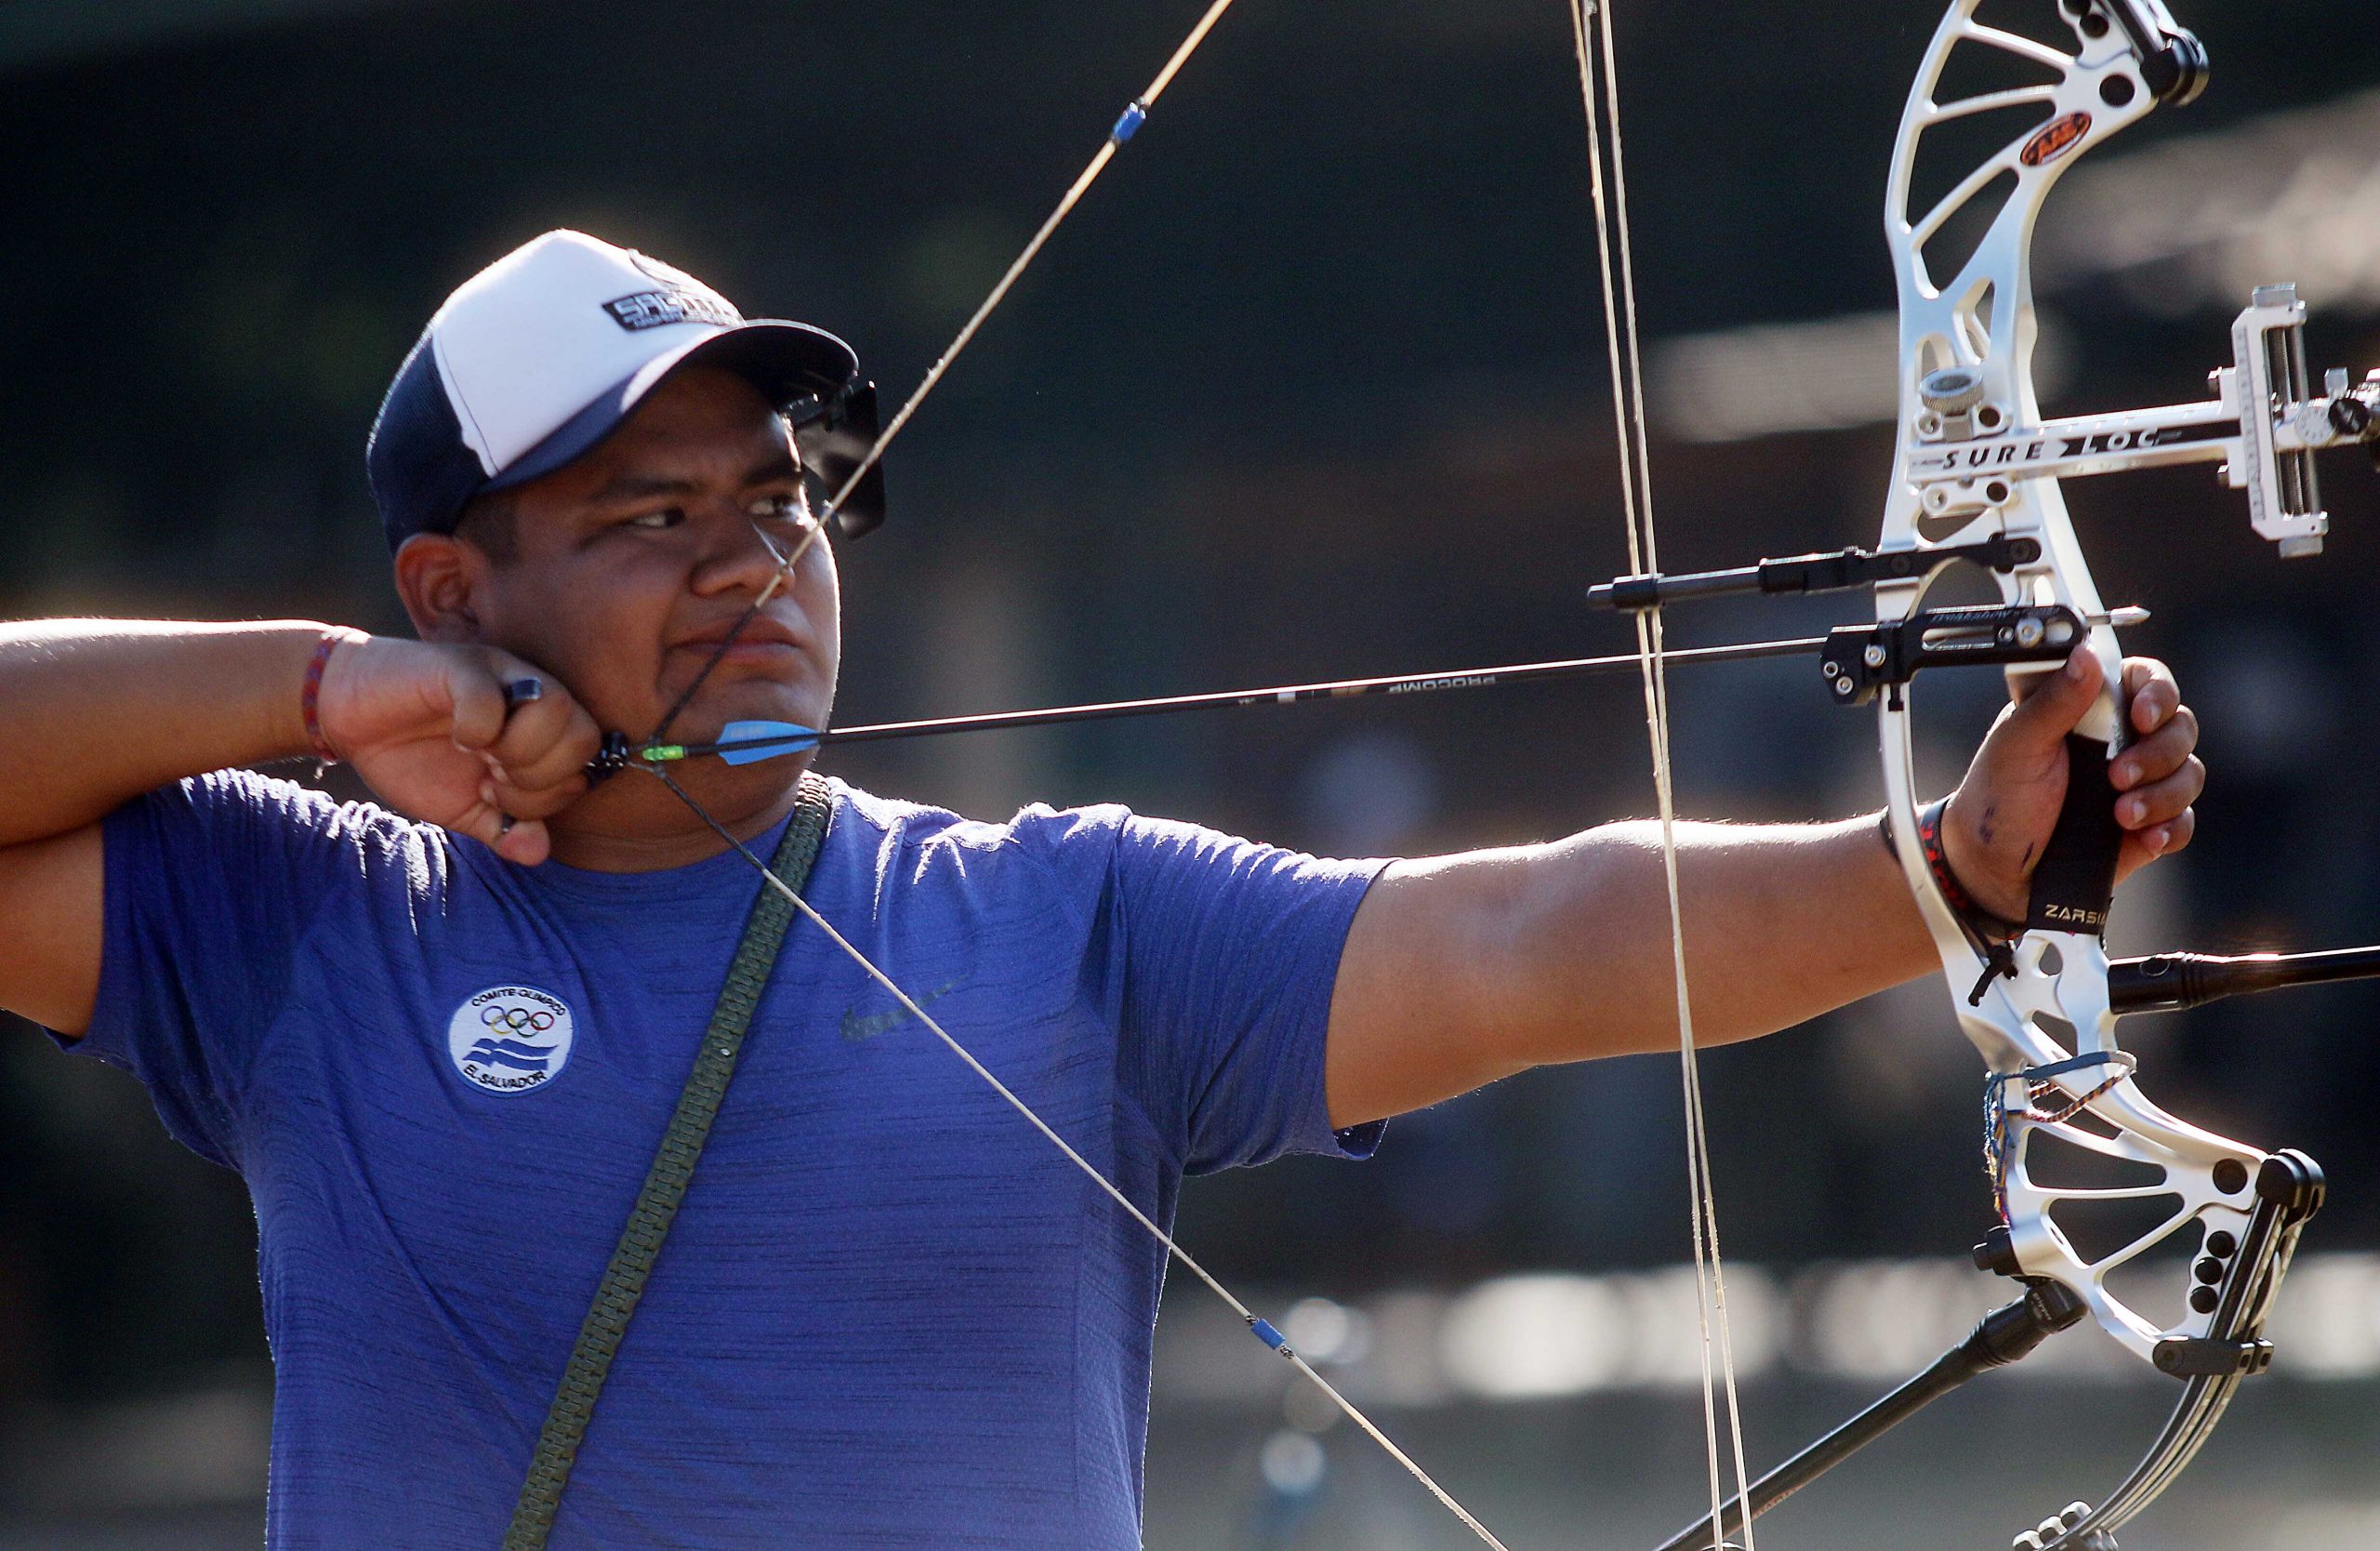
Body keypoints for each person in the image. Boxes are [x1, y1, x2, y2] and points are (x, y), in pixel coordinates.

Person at [0, 231, 2203, 1548]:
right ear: (448, 589)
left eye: (781, 497)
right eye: (649, 517)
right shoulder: (304, 926)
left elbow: (1524, 932)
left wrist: (1936, 871)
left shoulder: (1060, 925)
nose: (757, 560)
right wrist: (321, 693)